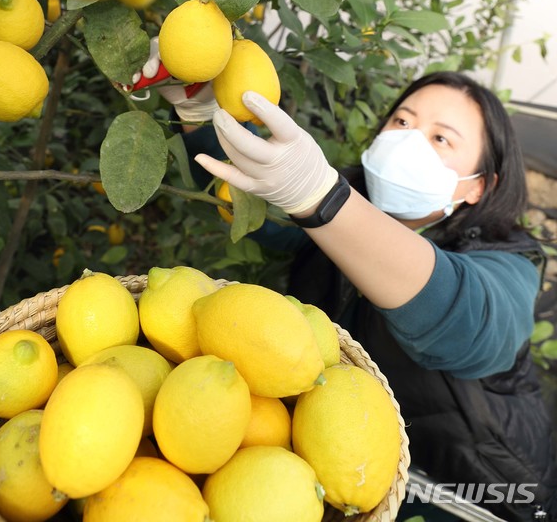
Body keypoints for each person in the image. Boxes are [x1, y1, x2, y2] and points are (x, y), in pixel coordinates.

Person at [137, 57, 557, 521]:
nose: (409, 141)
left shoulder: (510, 261)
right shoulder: (346, 210)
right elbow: (255, 204)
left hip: (473, 489)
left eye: (441, 138)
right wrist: (201, 114)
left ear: (480, 186)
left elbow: (468, 325)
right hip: (328, 456)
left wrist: (325, 200)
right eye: (402, 122)